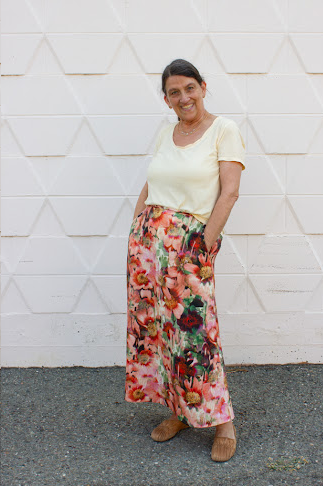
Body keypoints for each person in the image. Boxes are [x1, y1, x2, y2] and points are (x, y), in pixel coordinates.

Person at [125, 59, 244, 462]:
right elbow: (153, 179)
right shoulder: (167, 129)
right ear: (166, 99)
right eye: (174, 92)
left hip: (189, 243)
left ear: (203, 87)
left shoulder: (224, 130)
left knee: (198, 335)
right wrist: (136, 226)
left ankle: (223, 422)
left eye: (189, 88)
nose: (183, 97)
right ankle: (179, 410)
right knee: (161, 331)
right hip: (148, 243)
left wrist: (203, 246)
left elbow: (229, 193)